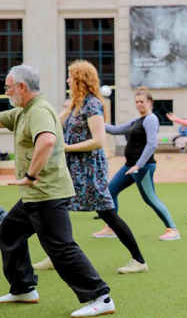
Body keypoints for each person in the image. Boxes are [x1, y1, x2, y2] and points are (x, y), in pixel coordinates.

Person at [0, 64, 115, 317]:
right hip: (34, 195)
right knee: (9, 232)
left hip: (46, 193)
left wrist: (30, 175)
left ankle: (100, 296)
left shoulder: (39, 110)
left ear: (22, 87)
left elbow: (48, 140)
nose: (6, 92)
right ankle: (23, 288)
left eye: (8, 88)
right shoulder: (22, 111)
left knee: (60, 247)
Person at [33, 60, 148, 275]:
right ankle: (54, 255)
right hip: (73, 167)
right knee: (56, 208)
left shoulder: (93, 104)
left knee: (107, 214)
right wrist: (65, 111)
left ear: (80, 79)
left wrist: (67, 148)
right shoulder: (76, 104)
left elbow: (98, 140)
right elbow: (54, 126)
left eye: (70, 76)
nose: (67, 80)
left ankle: (139, 260)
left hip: (89, 169)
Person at [93, 86, 181, 241]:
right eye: (137, 102)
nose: (139, 104)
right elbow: (116, 129)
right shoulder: (137, 121)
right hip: (130, 166)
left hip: (142, 167)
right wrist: (96, 122)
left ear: (150, 102)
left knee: (150, 198)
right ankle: (112, 228)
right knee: (110, 191)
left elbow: (152, 144)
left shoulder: (151, 119)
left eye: (142, 101)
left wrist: (139, 165)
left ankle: (172, 229)